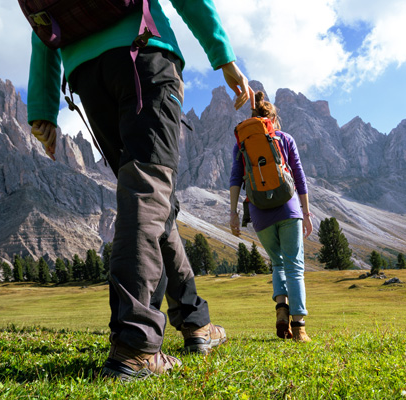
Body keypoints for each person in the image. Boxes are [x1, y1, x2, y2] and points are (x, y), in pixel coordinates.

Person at [26, 0, 254, 380]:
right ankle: (135, 345)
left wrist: (43, 105)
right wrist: (224, 55)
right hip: (142, 54)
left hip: (86, 75)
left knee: (153, 200)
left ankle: (195, 323)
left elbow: (43, 20)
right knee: (147, 195)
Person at [229, 91, 313, 342]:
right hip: (288, 208)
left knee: (278, 264)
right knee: (294, 266)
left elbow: (235, 179)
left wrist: (233, 213)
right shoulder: (285, 139)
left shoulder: (241, 144)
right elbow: (299, 176)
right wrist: (306, 212)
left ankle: (281, 310)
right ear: (273, 119)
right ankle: (299, 327)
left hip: (259, 212)